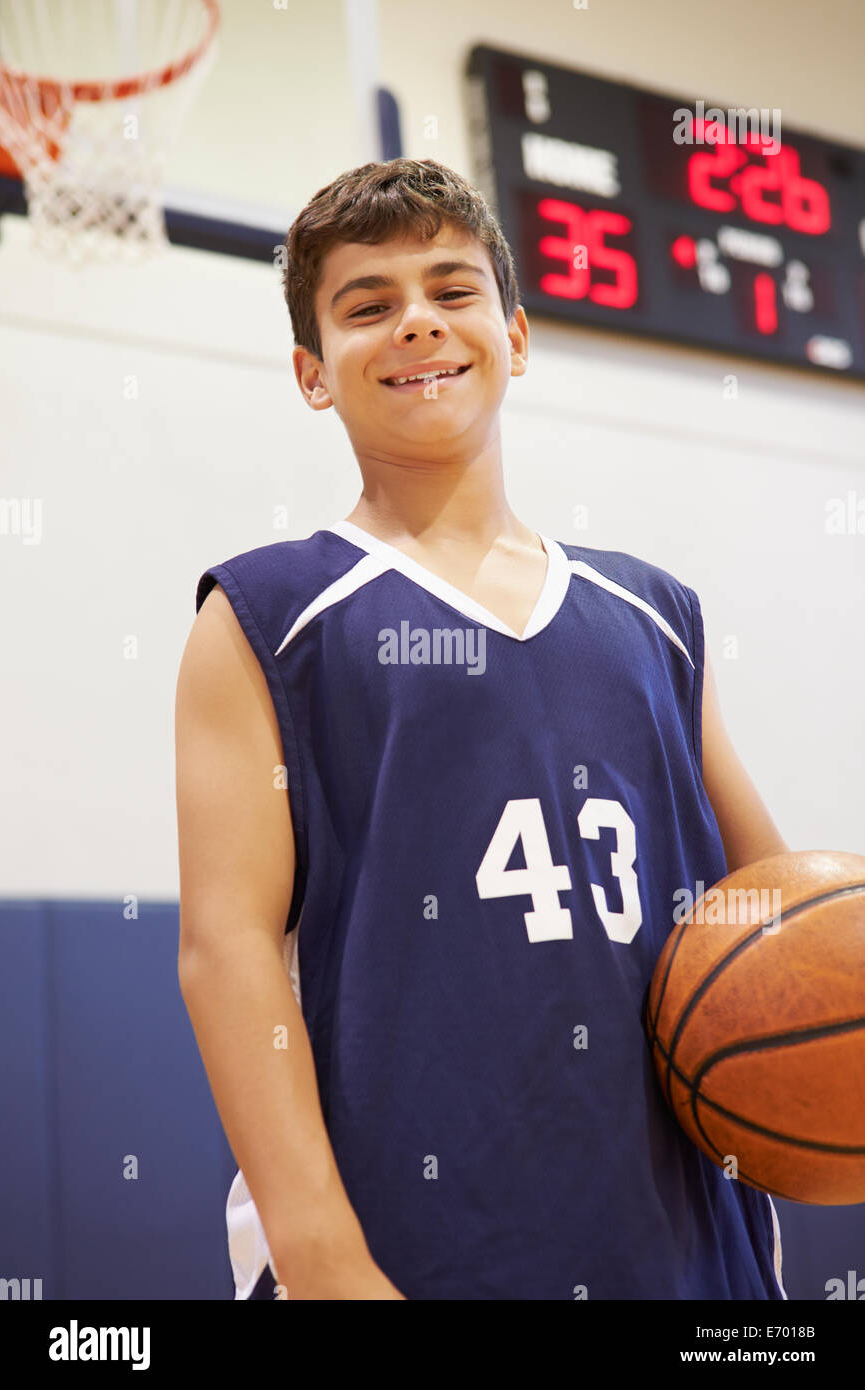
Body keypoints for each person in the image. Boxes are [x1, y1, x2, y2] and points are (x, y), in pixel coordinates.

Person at [175, 158, 789, 1300]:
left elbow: (777, 902)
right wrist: (321, 1262)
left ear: (514, 333)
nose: (416, 322)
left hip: (680, 1246)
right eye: (367, 305)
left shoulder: (653, 615)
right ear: (311, 373)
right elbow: (227, 953)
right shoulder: (266, 616)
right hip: (413, 1243)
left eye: (450, 291)